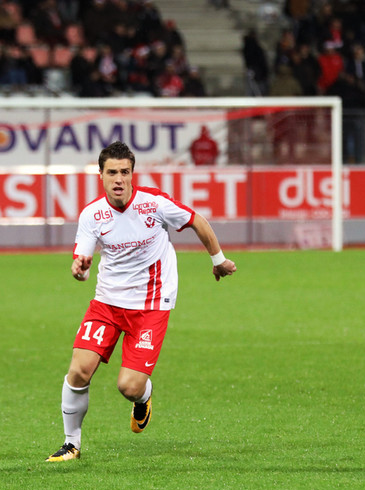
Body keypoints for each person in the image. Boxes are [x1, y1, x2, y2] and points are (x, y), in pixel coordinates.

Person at [46, 141, 238, 462]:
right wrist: (79, 269)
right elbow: (82, 257)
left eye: (124, 172)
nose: (119, 179)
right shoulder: (92, 215)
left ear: (133, 174)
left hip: (151, 305)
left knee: (129, 387)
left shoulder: (154, 204)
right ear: (101, 175)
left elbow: (197, 221)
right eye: (112, 173)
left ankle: (144, 397)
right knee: (79, 371)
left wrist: (218, 260)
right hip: (107, 303)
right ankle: (71, 444)